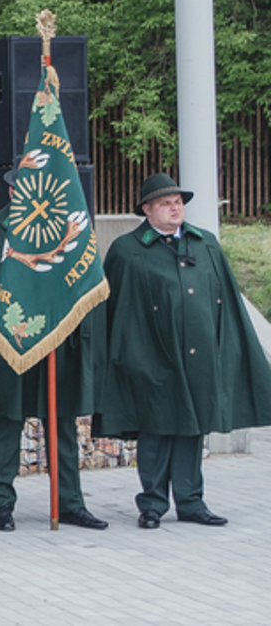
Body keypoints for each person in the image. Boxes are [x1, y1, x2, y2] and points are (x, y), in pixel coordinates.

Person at [97, 174, 271, 529]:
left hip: (199, 356)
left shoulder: (204, 244)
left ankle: (191, 502)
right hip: (150, 357)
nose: (175, 207)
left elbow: (224, 301)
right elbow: (113, 310)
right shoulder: (128, 250)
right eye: (165, 202)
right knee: (156, 427)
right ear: (146, 210)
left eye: (178, 201)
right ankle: (153, 504)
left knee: (192, 428)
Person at [0, 173, 109, 532]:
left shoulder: (64, 228)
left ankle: (70, 502)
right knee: (7, 422)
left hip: (56, 343)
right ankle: (1, 505)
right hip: (9, 343)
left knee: (63, 425)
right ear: (11, 190)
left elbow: (82, 282)